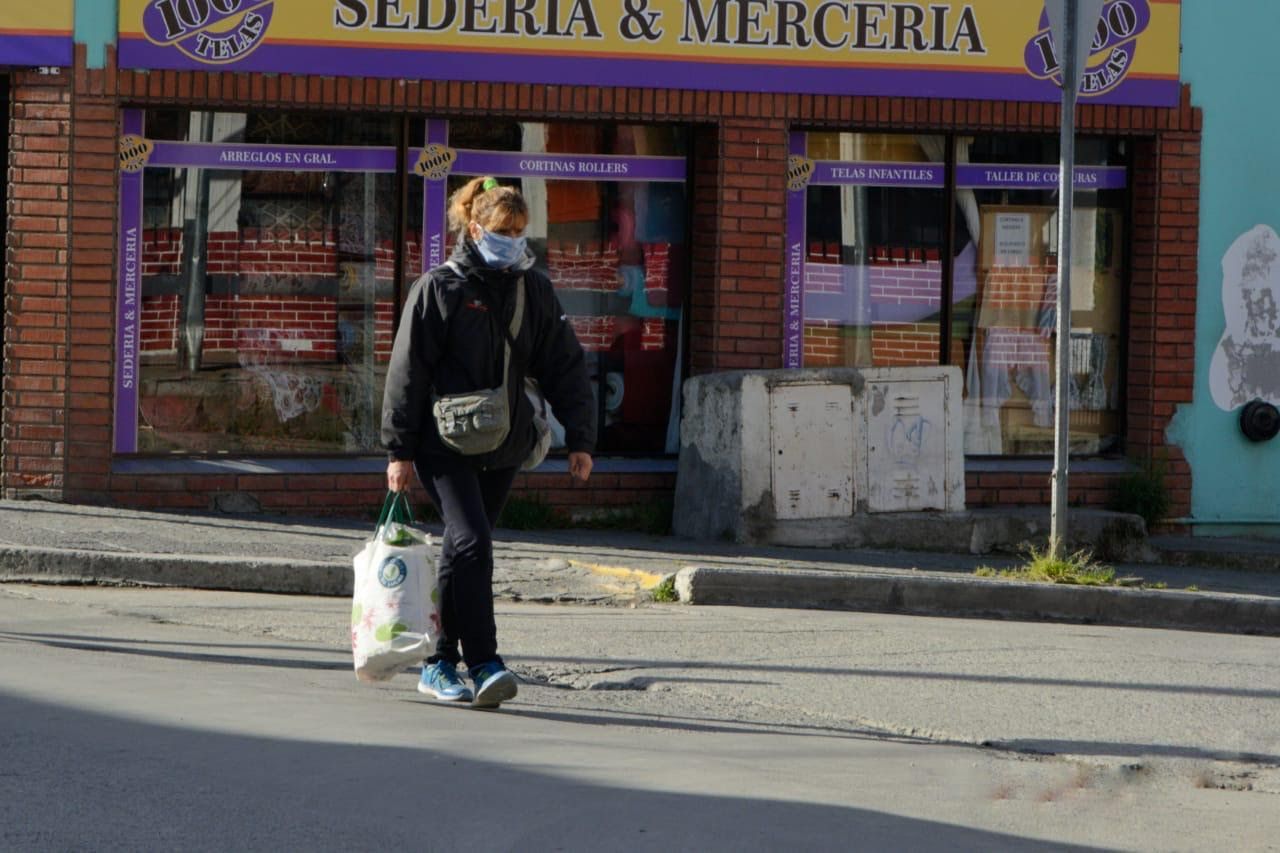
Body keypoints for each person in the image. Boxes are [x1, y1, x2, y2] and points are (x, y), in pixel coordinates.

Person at [381, 176, 596, 709]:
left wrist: (581, 439)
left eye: (521, 230)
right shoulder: (440, 288)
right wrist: (399, 450)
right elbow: (408, 372)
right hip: (442, 442)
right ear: (475, 228)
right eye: (504, 230)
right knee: (474, 541)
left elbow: (563, 366)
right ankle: (484, 661)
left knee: (463, 550)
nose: (514, 239)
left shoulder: (533, 290)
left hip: (504, 440)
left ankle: (438, 663)